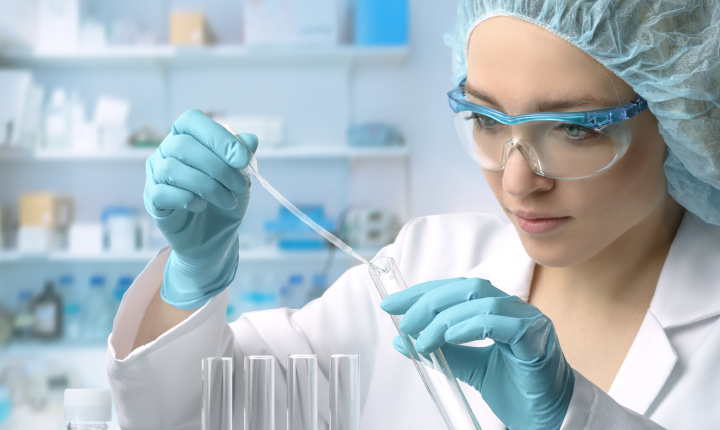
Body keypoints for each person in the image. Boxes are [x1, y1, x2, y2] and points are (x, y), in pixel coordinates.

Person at [107, 1, 720, 429]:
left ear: (681, 115)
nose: (516, 182)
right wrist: (191, 278)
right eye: (485, 119)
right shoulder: (422, 265)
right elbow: (200, 414)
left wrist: (571, 419)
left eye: (572, 129)